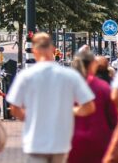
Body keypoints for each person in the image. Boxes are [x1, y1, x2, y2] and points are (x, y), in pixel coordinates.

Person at [6, 33, 95, 163]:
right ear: (53, 49)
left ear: (34, 51)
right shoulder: (70, 75)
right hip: (61, 141)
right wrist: (70, 111)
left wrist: (30, 117)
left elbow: (14, 107)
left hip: (35, 141)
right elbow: (89, 107)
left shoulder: (25, 76)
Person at [68, 49, 117, 163]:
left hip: (72, 140)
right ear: (93, 64)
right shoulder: (103, 87)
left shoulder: (68, 86)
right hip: (100, 141)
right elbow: (113, 117)